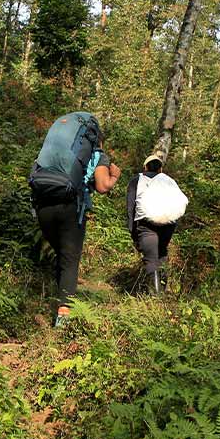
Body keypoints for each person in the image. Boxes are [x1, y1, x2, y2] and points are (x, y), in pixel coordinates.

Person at [29, 112, 121, 327]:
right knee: (70, 259)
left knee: (61, 254)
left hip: (43, 202)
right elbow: (103, 186)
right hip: (70, 205)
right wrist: (114, 175)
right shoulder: (97, 154)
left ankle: (55, 299)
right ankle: (63, 321)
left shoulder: (56, 153)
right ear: (97, 139)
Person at [126, 153, 183, 295]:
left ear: (145, 167)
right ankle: (162, 293)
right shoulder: (168, 180)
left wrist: (133, 232)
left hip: (146, 225)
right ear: (161, 170)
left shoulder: (136, 180)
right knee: (161, 254)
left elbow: (130, 208)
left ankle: (155, 297)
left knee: (151, 259)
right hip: (168, 225)